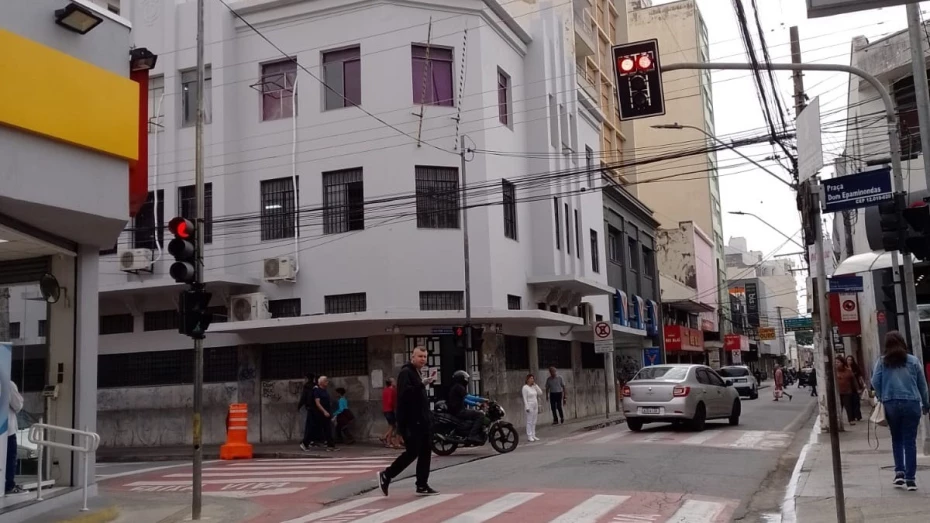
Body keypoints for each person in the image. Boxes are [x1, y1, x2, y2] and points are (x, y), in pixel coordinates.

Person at [871, 331, 930, 491]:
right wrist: (926, 404)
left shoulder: (882, 362)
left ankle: (899, 473)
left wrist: (882, 395)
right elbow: (922, 385)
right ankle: (911, 479)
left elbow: (875, 381)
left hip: (891, 403)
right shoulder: (913, 361)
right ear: (903, 342)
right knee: (910, 441)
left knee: (896, 439)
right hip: (911, 402)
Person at [379, 347, 438, 496]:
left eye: (425, 356)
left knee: (425, 452)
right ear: (412, 357)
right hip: (413, 422)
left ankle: (422, 485)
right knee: (412, 452)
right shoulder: (406, 372)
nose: (423, 359)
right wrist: (421, 384)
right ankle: (387, 474)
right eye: (420, 356)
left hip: (422, 421)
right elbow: (405, 395)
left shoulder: (416, 373)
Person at [447, 370, 487, 444]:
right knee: (480, 415)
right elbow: (469, 397)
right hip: (459, 411)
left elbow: (465, 400)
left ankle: (470, 433)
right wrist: (482, 399)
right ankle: (472, 435)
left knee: (475, 415)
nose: (466, 380)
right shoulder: (459, 387)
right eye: (465, 378)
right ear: (461, 378)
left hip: (457, 410)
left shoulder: (456, 387)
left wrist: (476, 404)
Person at [6, 381, 24, 495]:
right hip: (7, 430)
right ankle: (9, 486)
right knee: (9, 458)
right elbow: (17, 405)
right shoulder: (8, 384)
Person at [313, 376, 336, 451]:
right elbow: (317, 403)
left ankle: (330, 444)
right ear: (321, 383)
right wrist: (324, 411)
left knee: (328, 428)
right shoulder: (317, 391)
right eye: (326, 381)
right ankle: (329, 445)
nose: (327, 382)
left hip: (327, 411)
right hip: (322, 413)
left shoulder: (325, 390)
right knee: (325, 428)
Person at [298, 372, 318, 451]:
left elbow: (304, 397)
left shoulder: (307, 386)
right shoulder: (314, 386)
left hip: (311, 408)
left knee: (310, 426)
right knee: (312, 426)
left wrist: (300, 406)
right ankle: (307, 442)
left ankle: (307, 442)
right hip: (315, 408)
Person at [835, 356, 858, 425]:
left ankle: (851, 420)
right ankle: (838, 421)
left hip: (847, 391)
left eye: (838, 362)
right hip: (837, 392)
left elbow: (853, 380)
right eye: (835, 362)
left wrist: (857, 389)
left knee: (848, 406)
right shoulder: (833, 371)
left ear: (842, 363)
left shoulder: (848, 371)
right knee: (838, 407)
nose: (836, 364)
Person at [522, 374, 544, 442]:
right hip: (529, 404)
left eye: (533, 378)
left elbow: (540, 393)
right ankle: (529, 435)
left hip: (535, 404)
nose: (532, 380)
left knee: (534, 420)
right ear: (528, 379)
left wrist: (536, 385)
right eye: (531, 378)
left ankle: (533, 434)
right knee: (529, 421)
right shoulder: (525, 387)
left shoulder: (533, 387)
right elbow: (524, 398)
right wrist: (527, 407)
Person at [381, 378, 401, 448]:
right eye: (394, 381)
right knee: (393, 426)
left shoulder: (385, 390)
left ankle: (387, 440)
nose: (395, 382)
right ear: (391, 383)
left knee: (391, 425)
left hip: (385, 410)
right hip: (390, 410)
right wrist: (394, 407)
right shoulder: (391, 390)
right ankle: (386, 439)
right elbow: (390, 401)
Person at [846, 355, 866, 422]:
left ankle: (858, 416)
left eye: (851, 360)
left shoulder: (855, 368)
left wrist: (863, 384)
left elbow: (860, 376)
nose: (849, 361)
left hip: (856, 386)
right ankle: (852, 416)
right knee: (850, 402)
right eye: (848, 360)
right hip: (848, 387)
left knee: (856, 402)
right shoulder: (845, 368)